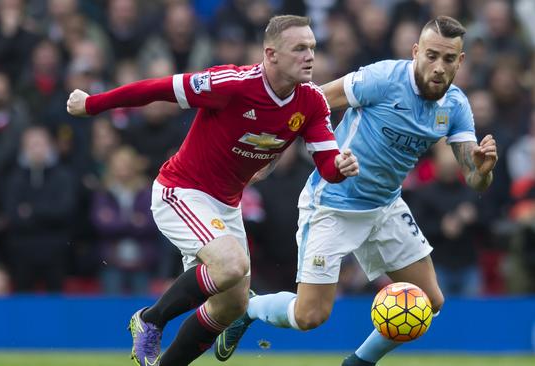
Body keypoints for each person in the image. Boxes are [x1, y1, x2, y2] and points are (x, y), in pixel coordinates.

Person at [66, 15, 359, 366]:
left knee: (233, 304)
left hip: (225, 204)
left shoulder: (311, 102)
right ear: (272, 54)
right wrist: (93, 104)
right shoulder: (232, 83)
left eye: (312, 47)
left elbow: (327, 164)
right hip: (181, 191)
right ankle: (149, 320)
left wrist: (340, 169)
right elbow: (158, 89)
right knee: (232, 265)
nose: (310, 56)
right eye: (299, 48)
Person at [215, 16, 498, 366]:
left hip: (385, 207)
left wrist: (483, 171)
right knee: (310, 317)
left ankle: (360, 362)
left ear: (461, 61)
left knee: (429, 301)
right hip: (334, 203)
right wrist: (272, 154)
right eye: (431, 55)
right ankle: (251, 308)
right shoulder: (382, 78)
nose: (439, 67)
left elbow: (474, 178)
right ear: (415, 52)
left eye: (449, 59)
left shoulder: (455, 106)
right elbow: (313, 102)